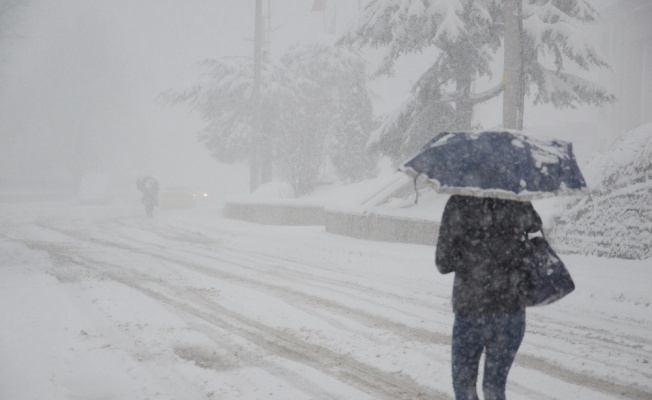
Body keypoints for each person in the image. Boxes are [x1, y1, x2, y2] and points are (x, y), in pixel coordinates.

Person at [435, 195, 542, 400]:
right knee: (495, 388)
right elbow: (535, 227)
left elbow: (443, 262)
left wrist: (472, 254)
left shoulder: (459, 202)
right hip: (511, 310)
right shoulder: (516, 200)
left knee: (464, 387)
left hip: (471, 309)